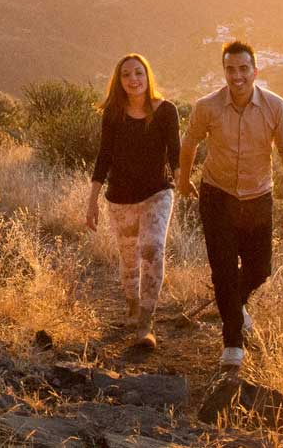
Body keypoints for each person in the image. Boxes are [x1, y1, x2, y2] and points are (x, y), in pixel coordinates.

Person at [176, 39, 283, 371]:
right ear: (224, 72)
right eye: (230, 70)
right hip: (217, 196)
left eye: (243, 69)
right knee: (223, 271)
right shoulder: (208, 106)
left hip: (258, 198)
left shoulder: (276, 107)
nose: (237, 76)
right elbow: (189, 142)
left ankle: (235, 304)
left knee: (260, 269)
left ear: (255, 71)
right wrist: (183, 177)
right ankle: (232, 343)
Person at [86, 52, 181, 348]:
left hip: (157, 193)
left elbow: (176, 152)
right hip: (120, 197)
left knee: (152, 249)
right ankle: (131, 302)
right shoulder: (113, 115)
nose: (133, 79)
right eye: (126, 74)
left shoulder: (166, 111)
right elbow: (104, 156)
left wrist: (183, 179)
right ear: (119, 80)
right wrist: (92, 200)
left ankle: (146, 322)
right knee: (129, 260)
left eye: (138, 73)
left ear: (147, 76)